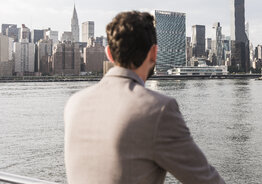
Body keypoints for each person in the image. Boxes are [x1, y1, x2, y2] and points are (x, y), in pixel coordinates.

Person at [64, 11, 225, 184]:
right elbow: (206, 180)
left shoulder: (75, 104)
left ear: (109, 53)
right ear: (154, 53)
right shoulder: (158, 109)